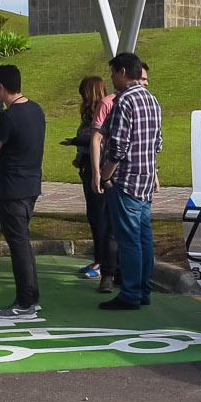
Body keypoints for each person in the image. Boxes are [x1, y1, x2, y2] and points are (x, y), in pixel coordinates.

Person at [98, 52, 162, 312]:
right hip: (146, 177)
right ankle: (144, 288)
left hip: (125, 180)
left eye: (113, 73)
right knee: (144, 236)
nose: (112, 78)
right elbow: (157, 142)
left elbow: (118, 146)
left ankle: (131, 292)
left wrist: (105, 175)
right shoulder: (152, 100)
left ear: (123, 72)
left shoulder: (124, 101)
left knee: (129, 239)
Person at [0, 63, 46, 322]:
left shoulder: (8, 117)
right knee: (23, 243)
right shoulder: (36, 110)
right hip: (31, 186)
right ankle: (31, 296)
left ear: (1, 88)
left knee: (19, 246)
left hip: (12, 188)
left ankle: (25, 302)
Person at [67, 75, 117, 288]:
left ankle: (104, 263)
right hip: (87, 166)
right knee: (94, 215)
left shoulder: (105, 110)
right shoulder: (89, 113)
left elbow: (100, 139)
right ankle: (99, 259)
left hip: (98, 169)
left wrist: (78, 142)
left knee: (101, 217)